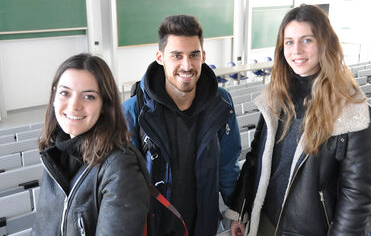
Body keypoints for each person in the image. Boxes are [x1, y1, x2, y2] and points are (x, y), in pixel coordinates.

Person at [227, 4, 371, 236]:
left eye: (307, 40)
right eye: (289, 42)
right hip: (264, 221)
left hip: (308, 228)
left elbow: (355, 195)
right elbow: (255, 159)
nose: (296, 50)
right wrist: (241, 210)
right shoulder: (275, 97)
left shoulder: (350, 110)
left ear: (325, 43)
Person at [122, 14, 242, 236]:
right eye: (177, 55)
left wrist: (235, 212)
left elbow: (228, 164)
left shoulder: (221, 102)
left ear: (203, 56)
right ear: (160, 57)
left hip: (203, 226)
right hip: (153, 228)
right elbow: (122, 185)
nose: (187, 65)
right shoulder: (133, 111)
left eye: (193, 55)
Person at [32, 53, 150, 235]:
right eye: (65, 93)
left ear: (104, 104)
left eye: (88, 97)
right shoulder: (54, 153)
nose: (74, 105)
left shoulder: (121, 167)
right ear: (54, 96)